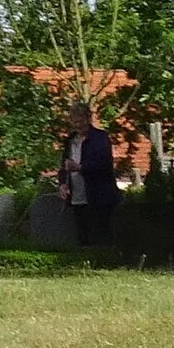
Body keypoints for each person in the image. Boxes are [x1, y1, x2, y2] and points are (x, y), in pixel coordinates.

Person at [57, 101, 121, 247]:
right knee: (82, 235)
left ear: (88, 119)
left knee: (101, 233)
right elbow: (64, 167)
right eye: (74, 122)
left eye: (80, 121)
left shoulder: (100, 138)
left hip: (98, 195)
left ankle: (103, 261)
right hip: (77, 195)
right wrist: (62, 184)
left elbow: (105, 166)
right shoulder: (70, 141)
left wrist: (80, 168)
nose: (78, 126)